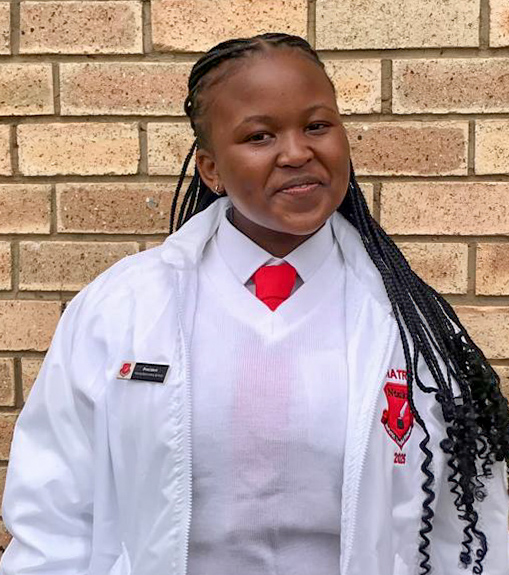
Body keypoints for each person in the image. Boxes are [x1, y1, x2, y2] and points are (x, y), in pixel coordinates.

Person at [0, 32, 508, 575]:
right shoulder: (119, 308)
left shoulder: (411, 321)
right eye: (260, 136)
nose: (297, 153)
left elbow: (469, 526)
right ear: (211, 169)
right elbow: (53, 518)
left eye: (317, 126)